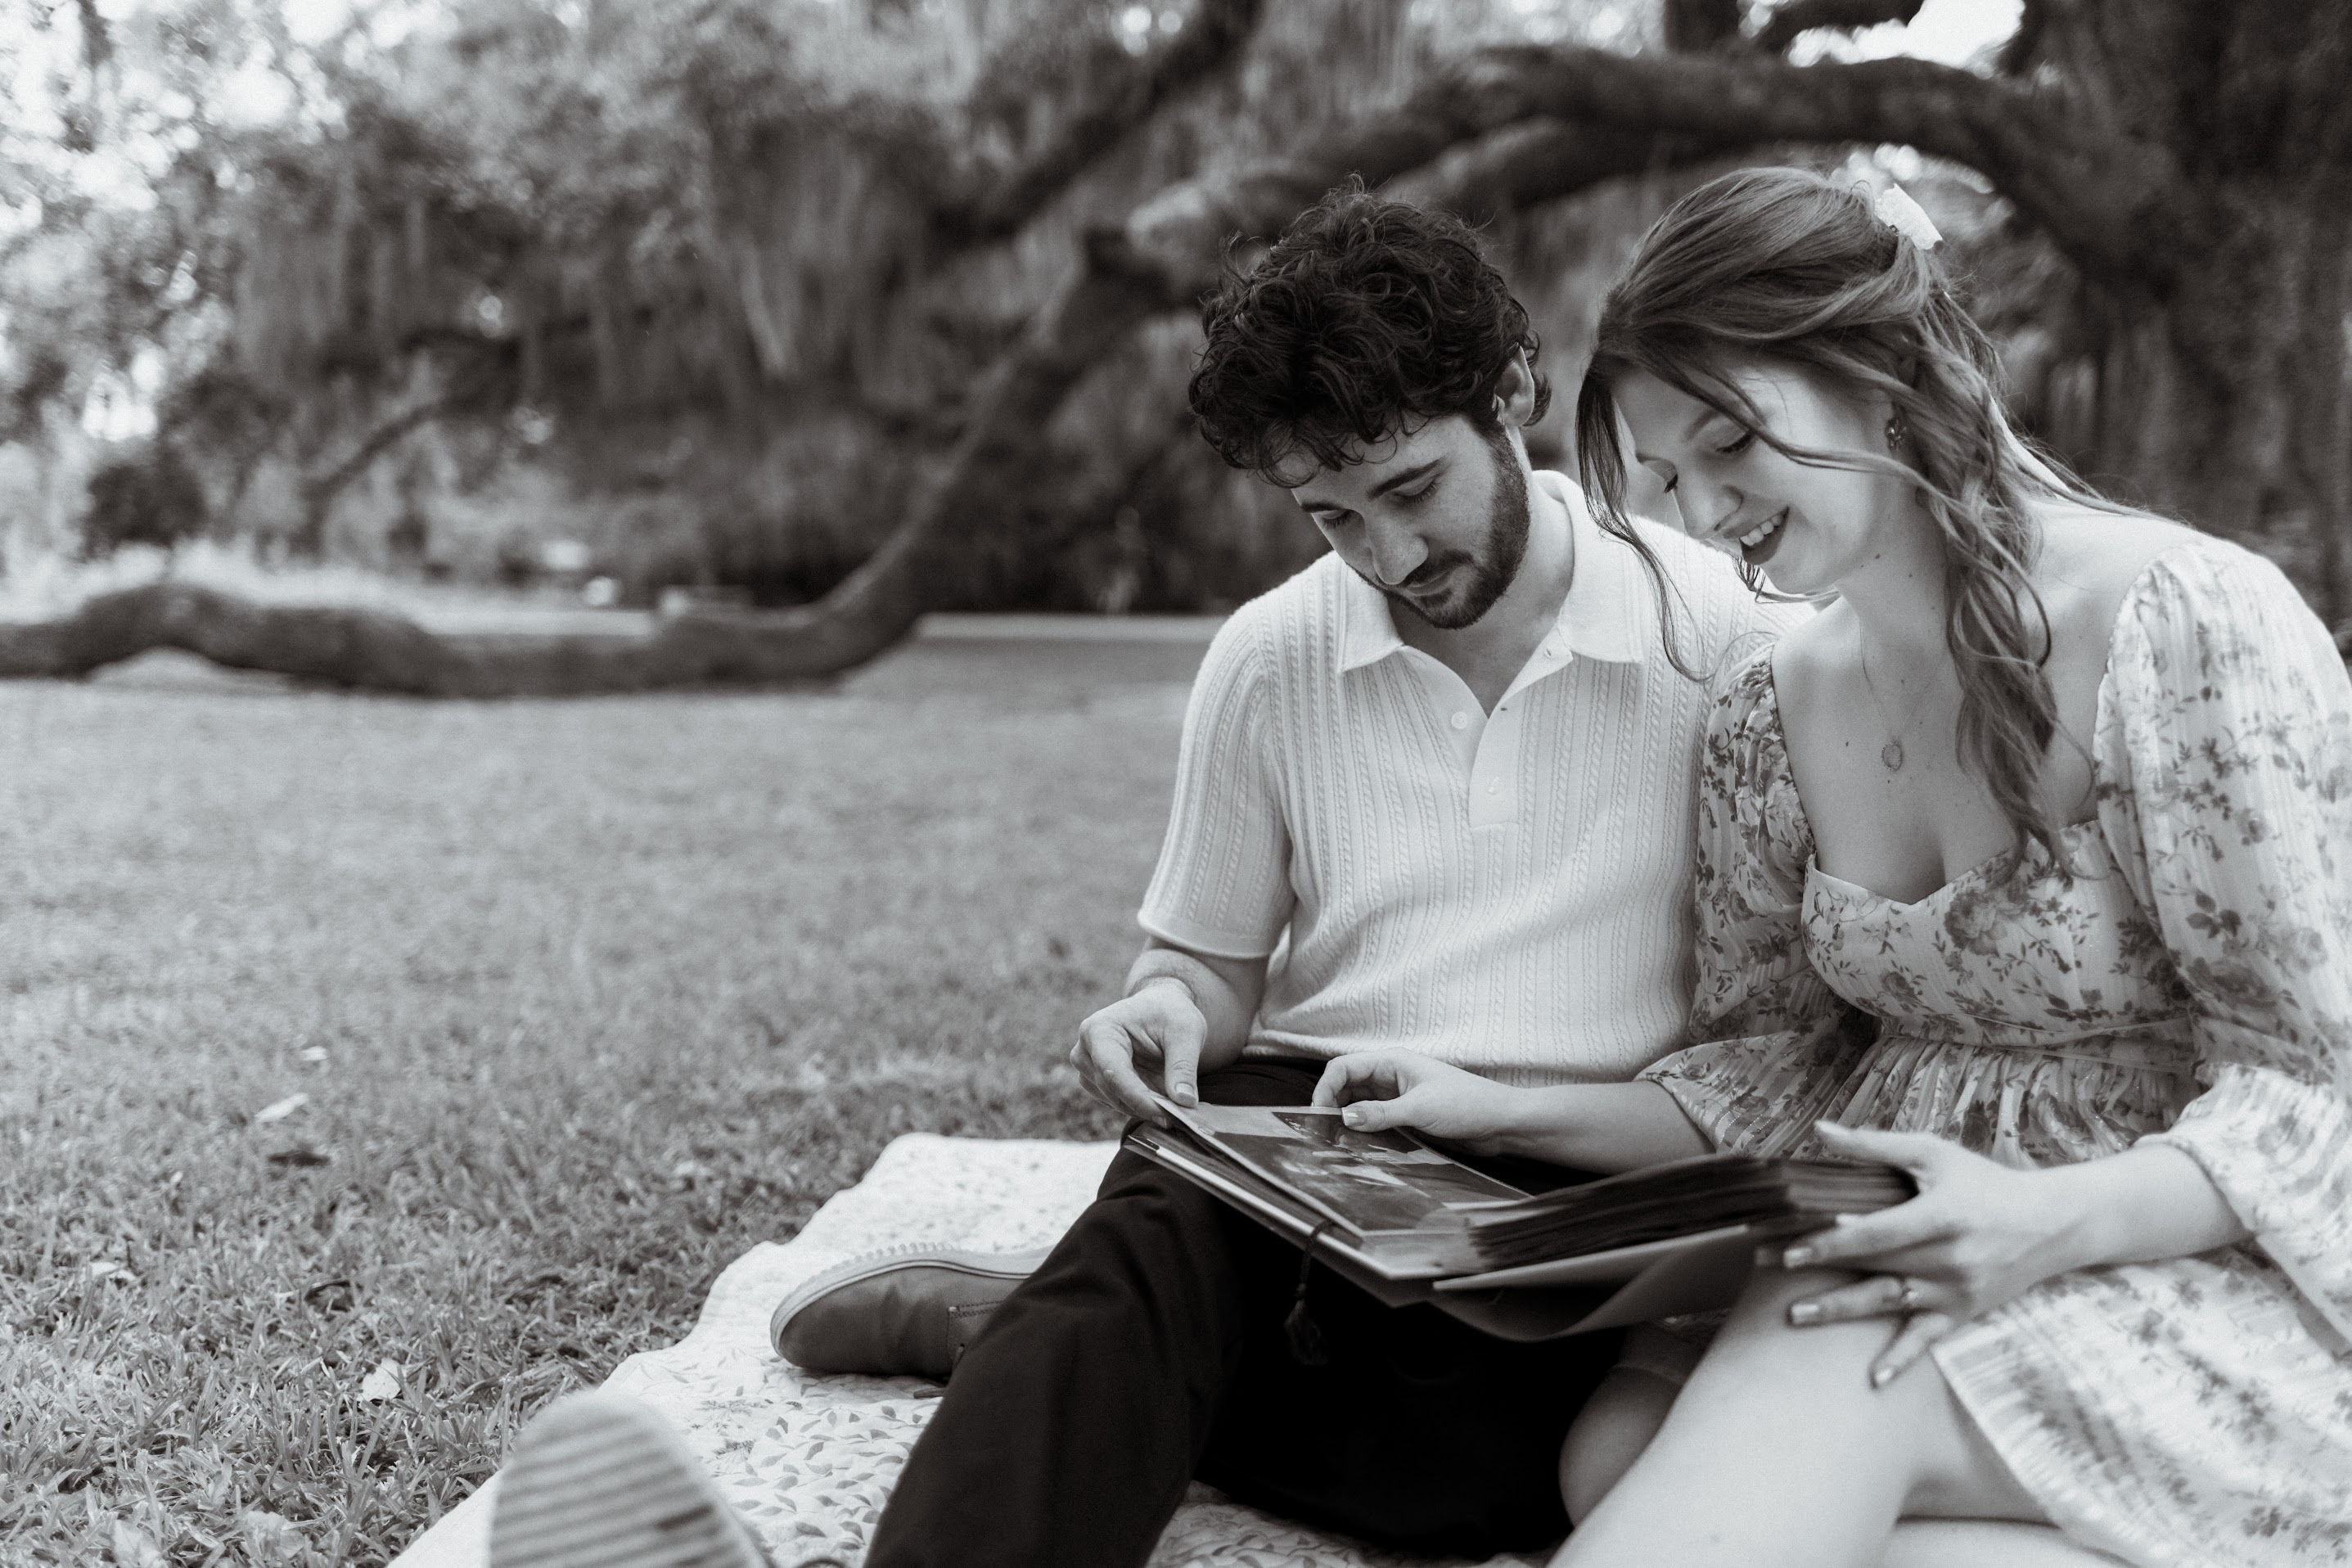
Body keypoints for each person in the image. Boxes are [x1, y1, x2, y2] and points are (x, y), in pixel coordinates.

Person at [481, 185, 1794, 1568]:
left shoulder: (1722, 642)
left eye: (1411, 490)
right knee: (1162, 1231)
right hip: (1316, 1136)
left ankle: (1023, 1334)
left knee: (1482, 1482)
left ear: (1515, 392)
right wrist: (1164, 1012)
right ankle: (1077, 1345)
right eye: (1329, 515)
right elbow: (1210, 969)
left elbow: (1781, 1057)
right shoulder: (1271, 657)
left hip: (1576, 1186)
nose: (1388, 558)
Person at [1315, 165, 2352, 1568]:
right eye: (1668, 478)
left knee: (1805, 1398)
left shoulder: (2181, 626)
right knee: (1614, 1458)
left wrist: (2033, 1222)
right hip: (1886, 1235)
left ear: (1880, 370)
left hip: (2164, 1253)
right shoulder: (1773, 700)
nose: (1703, 510)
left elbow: (2306, 1087)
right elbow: (1778, 1071)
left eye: (1729, 442)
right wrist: (1498, 1111)